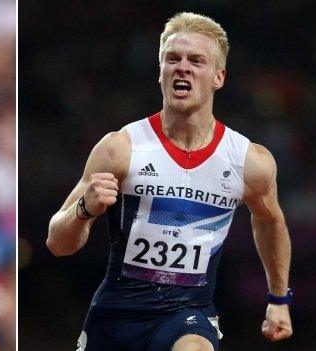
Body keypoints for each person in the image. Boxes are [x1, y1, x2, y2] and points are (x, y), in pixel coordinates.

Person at [47, 12, 292, 351]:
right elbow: (58, 243)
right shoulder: (121, 148)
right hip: (115, 317)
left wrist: (279, 298)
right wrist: (84, 209)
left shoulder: (249, 161)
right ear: (160, 71)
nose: (183, 68)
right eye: (172, 59)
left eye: (196, 61)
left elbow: (269, 221)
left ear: (218, 77)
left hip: (189, 313)